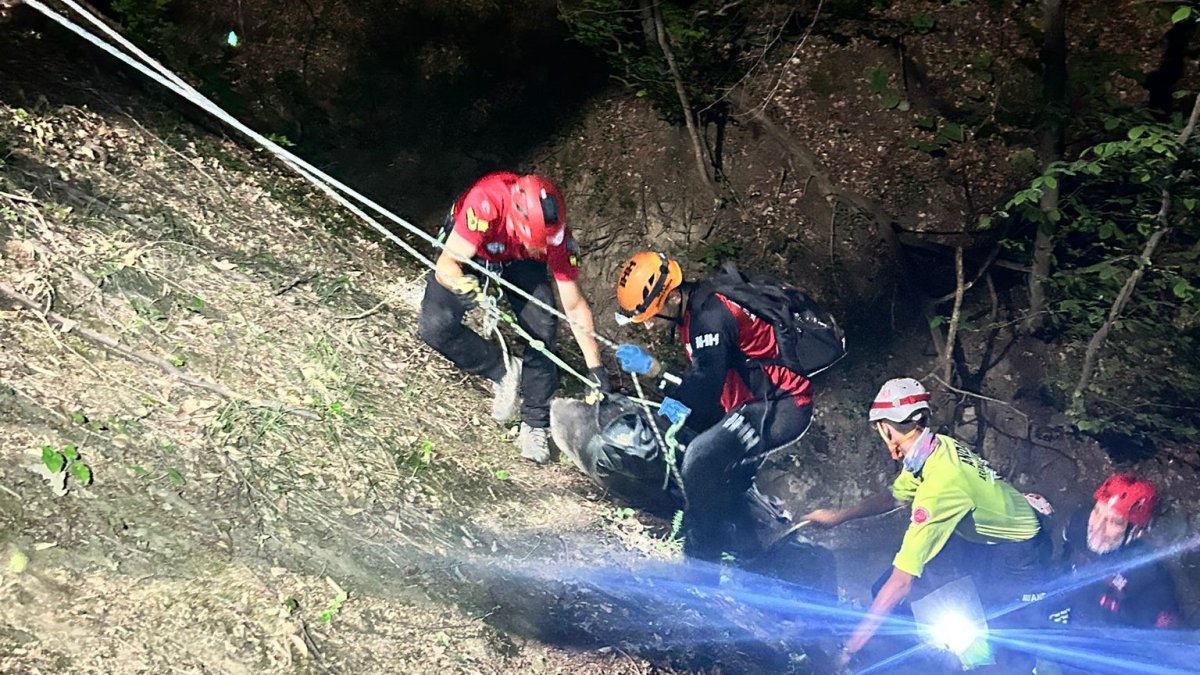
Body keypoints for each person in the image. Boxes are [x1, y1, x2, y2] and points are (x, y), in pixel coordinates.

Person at [799, 377, 1050, 670]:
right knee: (890, 590)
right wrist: (837, 517)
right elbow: (894, 496)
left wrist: (846, 651)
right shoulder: (934, 448)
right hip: (981, 535)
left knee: (1007, 644)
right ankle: (914, 658)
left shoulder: (940, 485)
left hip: (1020, 553)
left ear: (886, 429)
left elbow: (901, 582)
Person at [612, 251, 817, 562]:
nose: (649, 326)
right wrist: (657, 376)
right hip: (750, 403)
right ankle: (749, 551)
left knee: (700, 459)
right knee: (723, 473)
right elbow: (706, 382)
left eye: (651, 316)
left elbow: (704, 386)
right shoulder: (695, 310)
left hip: (781, 405)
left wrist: (667, 406)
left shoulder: (709, 316)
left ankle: (700, 561)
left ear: (670, 299)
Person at [418, 171, 608, 463]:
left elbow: (574, 305)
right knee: (435, 326)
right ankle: (500, 368)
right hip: (478, 247)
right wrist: (459, 284)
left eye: (548, 244)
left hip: (518, 257)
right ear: (516, 224)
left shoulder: (554, 235)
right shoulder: (485, 204)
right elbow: (448, 263)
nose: (546, 250)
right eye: (540, 245)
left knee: (543, 329)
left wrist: (596, 369)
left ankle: (535, 423)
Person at [1056, 473, 1181, 629]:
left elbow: (1160, 630)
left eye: (1115, 522)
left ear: (1135, 532)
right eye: (1097, 512)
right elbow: (1065, 557)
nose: (1098, 527)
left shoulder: (1144, 573)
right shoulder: (1079, 524)